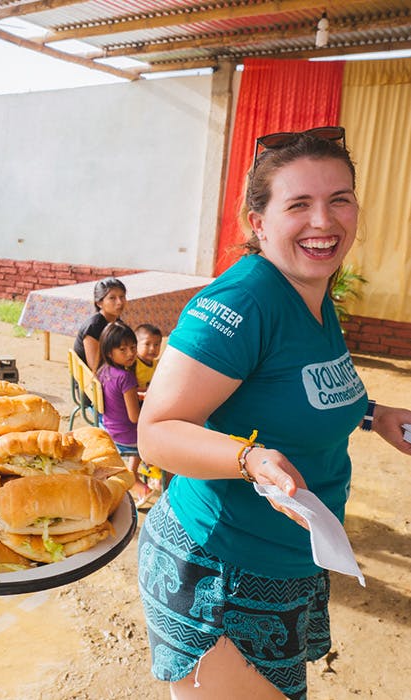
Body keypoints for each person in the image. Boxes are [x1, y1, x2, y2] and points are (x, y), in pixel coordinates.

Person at [136, 127, 411, 700]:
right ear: (257, 223)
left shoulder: (311, 287)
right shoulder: (242, 303)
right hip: (221, 571)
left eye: (340, 199)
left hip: (287, 563)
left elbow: (297, 387)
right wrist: (249, 458)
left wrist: (375, 413)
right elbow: (156, 434)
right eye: (299, 205)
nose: (324, 221)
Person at [95, 321, 154, 506]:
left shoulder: (104, 371)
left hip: (108, 426)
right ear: (109, 352)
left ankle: (134, 473)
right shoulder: (126, 377)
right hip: (126, 436)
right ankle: (142, 481)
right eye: (123, 349)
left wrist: (137, 394)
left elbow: (118, 397)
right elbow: (134, 417)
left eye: (133, 347)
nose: (130, 353)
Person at [73, 276, 127, 373]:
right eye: (112, 298)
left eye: (122, 296)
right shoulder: (93, 327)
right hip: (92, 382)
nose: (120, 302)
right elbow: (95, 367)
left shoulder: (118, 323)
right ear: (99, 303)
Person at [133, 323, 163, 391]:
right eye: (147, 344)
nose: (152, 348)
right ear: (135, 345)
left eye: (156, 344)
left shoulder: (155, 364)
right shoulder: (133, 363)